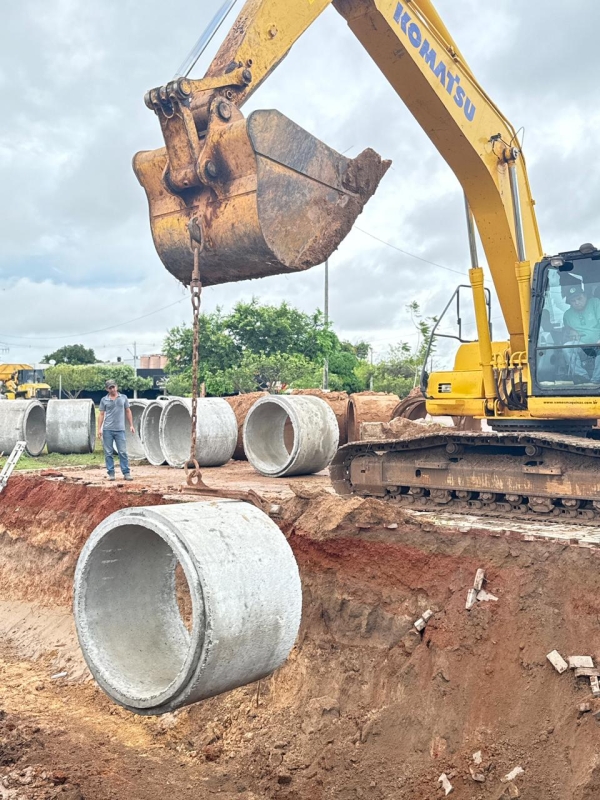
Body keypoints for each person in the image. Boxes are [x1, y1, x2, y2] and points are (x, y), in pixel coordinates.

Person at [98, 380, 135, 481]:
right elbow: (101, 414)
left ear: (117, 387)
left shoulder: (123, 398)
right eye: (110, 388)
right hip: (107, 429)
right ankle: (111, 473)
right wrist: (99, 429)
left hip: (120, 429)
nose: (112, 389)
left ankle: (126, 472)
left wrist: (131, 425)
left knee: (122, 452)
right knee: (108, 452)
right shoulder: (104, 400)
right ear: (107, 389)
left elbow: (128, 411)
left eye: (113, 387)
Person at [562, 285, 600, 383]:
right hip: (583, 346)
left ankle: (596, 381)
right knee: (567, 347)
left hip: (598, 343)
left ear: (585, 296)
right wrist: (571, 330)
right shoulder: (567, 314)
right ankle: (582, 377)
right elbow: (567, 329)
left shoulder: (595, 303)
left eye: (579, 298)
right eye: (573, 301)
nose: (577, 303)